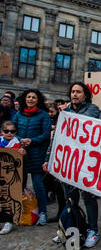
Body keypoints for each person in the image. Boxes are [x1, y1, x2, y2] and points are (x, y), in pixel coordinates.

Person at [44, 82, 101, 247]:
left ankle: (93, 230)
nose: (75, 94)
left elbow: (87, 123)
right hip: (69, 162)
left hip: (86, 161)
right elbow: (56, 138)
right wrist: (49, 157)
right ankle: (69, 227)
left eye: (79, 92)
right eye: (73, 92)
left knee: (88, 198)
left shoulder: (92, 109)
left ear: (85, 95)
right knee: (70, 198)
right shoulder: (65, 113)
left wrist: (66, 114)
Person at [13, 89, 51, 226]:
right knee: (20, 184)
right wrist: (20, 140)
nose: (30, 99)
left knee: (38, 184)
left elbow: (46, 134)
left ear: (38, 100)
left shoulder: (44, 115)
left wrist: (32, 140)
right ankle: (21, 210)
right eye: (28, 97)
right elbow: (12, 130)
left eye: (33, 97)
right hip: (21, 152)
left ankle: (42, 213)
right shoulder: (19, 114)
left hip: (36, 154)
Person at [0, 121, 27, 234]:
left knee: (9, 198)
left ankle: (8, 221)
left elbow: (22, 163)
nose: (9, 133)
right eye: (6, 131)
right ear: (2, 132)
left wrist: (24, 153)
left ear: (16, 132)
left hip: (11, 176)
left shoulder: (18, 144)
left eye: (12, 131)